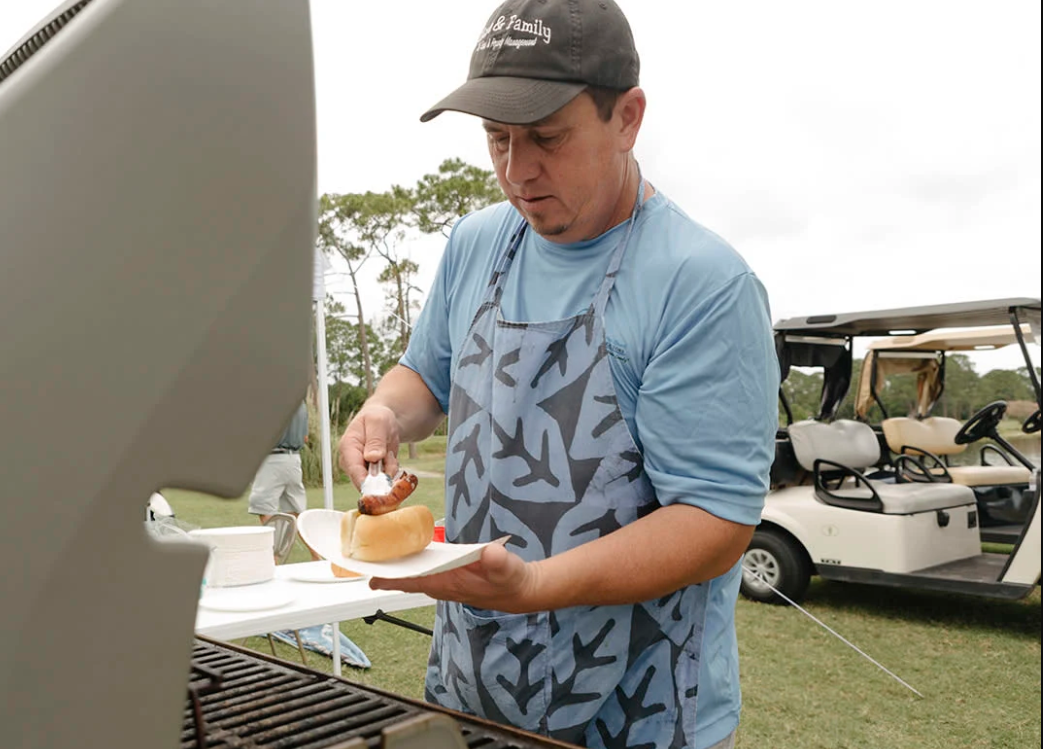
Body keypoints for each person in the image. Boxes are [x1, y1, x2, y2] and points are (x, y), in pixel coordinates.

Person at [338, 1, 779, 747]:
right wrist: (384, 409)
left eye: (546, 136)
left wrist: (535, 586)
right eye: (497, 138)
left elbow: (714, 521)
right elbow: (425, 377)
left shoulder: (699, 282)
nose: (517, 170)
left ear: (627, 117)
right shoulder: (477, 242)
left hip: (641, 714)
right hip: (470, 690)